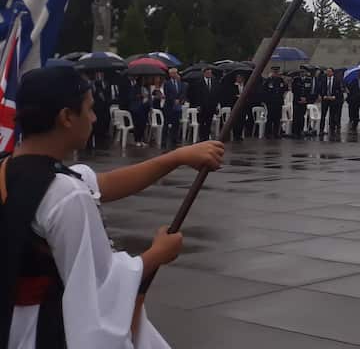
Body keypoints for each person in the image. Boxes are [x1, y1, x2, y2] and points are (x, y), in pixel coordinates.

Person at [2, 65, 224, 348]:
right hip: (43, 331)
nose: (95, 118)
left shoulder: (10, 169)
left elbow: (105, 183)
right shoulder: (65, 193)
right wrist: (157, 254)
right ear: (67, 117)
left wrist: (176, 158)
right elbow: (99, 285)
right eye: (89, 109)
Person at [189, 68, 220, 142]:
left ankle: (207, 136)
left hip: (211, 106)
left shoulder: (214, 82)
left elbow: (216, 93)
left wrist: (216, 105)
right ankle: (202, 137)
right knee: (202, 122)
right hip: (203, 106)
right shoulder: (199, 82)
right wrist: (198, 105)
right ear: (204, 73)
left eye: (210, 73)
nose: (209, 74)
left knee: (209, 122)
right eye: (208, 73)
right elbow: (197, 94)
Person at [89, 71, 114, 150]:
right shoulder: (92, 84)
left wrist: (107, 100)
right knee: (97, 124)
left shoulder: (107, 83)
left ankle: (103, 138)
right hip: (96, 107)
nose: (99, 75)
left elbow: (109, 94)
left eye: (101, 73)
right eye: (98, 74)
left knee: (105, 122)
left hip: (105, 107)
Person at [161, 69, 185, 147]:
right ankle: (164, 141)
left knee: (176, 124)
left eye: (175, 73)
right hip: (169, 106)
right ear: (170, 74)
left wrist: (179, 99)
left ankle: (174, 140)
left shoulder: (180, 83)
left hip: (177, 107)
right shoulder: (167, 83)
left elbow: (182, 92)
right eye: (173, 73)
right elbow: (167, 93)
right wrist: (174, 100)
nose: (174, 75)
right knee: (166, 124)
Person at [317, 67, 343, 137]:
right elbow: (320, 88)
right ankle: (321, 130)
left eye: (329, 71)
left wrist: (335, 96)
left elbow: (340, 90)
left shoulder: (337, 80)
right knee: (323, 115)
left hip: (333, 100)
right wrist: (322, 96)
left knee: (332, 115)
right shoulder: (323, 80)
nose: (328, 73)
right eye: (327, 71)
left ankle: (332, 129)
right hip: (325, 99)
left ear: (332, 72)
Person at [262, 67, 287, 139]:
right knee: (270, 118)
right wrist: (266, 100)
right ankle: (268, 133)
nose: (276, 73)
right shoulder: (268, 80)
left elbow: (284, 89)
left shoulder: (281, 80)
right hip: (271, 102)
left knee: (277, 118)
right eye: (274, 72)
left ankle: (276, 133)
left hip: (278, 102)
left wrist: (285, 83)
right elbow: (264, 90)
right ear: (272, 72)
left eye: (277, 72)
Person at [289, 72, 311, 139]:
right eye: (302, 72)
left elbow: (309, 90)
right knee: (296, 116)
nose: (303, 73)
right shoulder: (296, 80)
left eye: (304, 72)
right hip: (297, 101)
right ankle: (295, 132)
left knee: (302, 117)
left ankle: (300, 130)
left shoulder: (308, 80)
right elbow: (294, 90)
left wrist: (306, 98)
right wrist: (299, 98)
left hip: (304, 101)